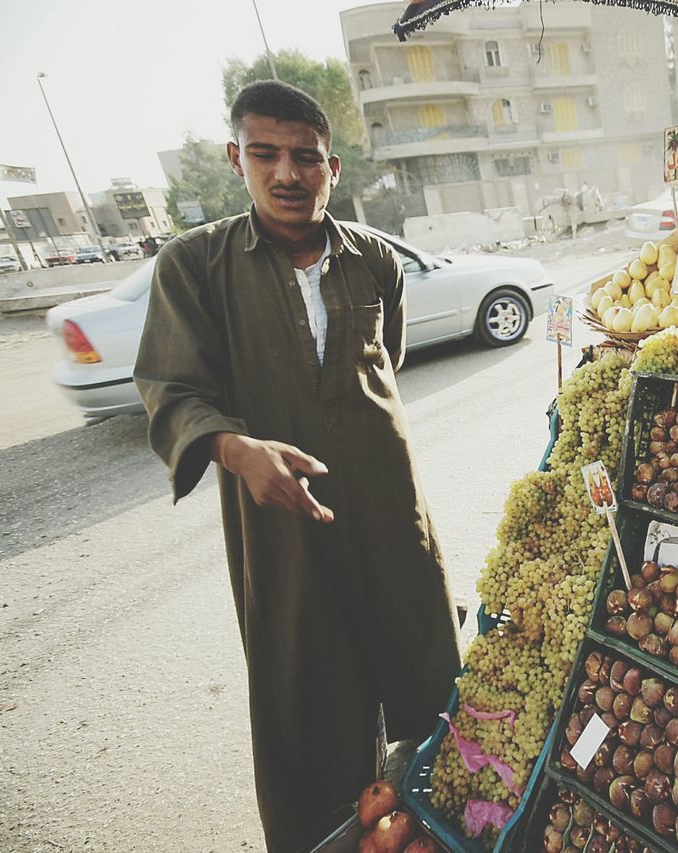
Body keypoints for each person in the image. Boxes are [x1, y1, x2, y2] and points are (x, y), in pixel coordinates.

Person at [133, 80, 461, 853]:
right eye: (265, 154)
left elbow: (388, 365)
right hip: (281, 529)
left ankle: (444, 826)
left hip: (388, 510)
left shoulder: (375, 260)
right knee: (305, 699)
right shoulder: (194, 267)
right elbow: (172, 390)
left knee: (428, 679)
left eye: (305, 157)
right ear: (235, 158)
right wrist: (236, 449)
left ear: (332, 168)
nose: (287, 173)